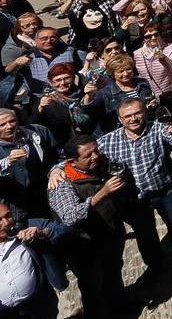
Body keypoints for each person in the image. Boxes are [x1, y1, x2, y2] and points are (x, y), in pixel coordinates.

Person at [97, 98, 172, 278]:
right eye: (127, 116)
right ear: (120, 119)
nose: (133, 119)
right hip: (135, 199)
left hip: (165, 189)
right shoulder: (108, 141)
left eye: (137, 113)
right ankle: (155, 265)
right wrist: (57, 170)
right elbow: (83, 155)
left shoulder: (158, 129)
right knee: (145, 234)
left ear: (145, 113)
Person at [47, 133, 131, 312]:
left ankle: (120, 307)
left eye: (96, 151)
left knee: (114, 272)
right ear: (73, 160)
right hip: (84, 246)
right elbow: (69, 216)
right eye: (88, 155)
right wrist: (103, 193)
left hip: (110, 234)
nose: (96, 157)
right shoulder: (61, 184)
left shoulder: (99, 164)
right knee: (92, 287)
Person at [0, 203, 68, 318]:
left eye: (8, 216)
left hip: (39, 308)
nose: (6, 223)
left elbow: (68, 231)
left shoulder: (28, 226)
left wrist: (42, 232)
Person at [0, 108, 57, 220]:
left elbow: (59, 153)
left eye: (12, 121)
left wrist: (56, 169)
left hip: (46, 197)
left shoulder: (37, 132)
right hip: (15, 208)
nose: (9, 126)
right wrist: (6, 162)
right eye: (2, 125)